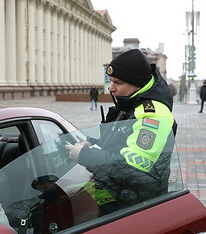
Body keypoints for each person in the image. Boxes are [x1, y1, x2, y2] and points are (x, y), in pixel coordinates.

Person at [66, 49, 177, 211]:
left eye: (118, 83)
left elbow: (134, 168)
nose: (111, 88)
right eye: (110, 82)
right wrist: (92, 144)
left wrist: (86, 156)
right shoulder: (128, 104)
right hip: (116, 196)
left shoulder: (153, 115)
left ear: (138, 84)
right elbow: (119, 144)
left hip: (136, 206)